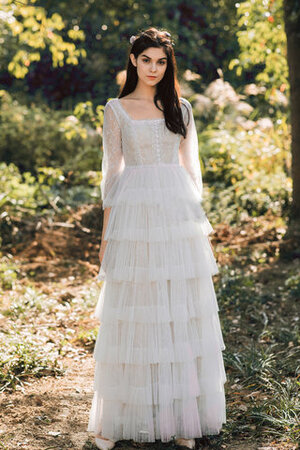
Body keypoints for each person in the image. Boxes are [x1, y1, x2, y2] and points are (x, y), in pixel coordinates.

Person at [87, 27, 226, 450]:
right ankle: (115, 421)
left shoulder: (179, 108)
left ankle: (183, 418)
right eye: (146, 59)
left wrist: (194, 228)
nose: (153, 68)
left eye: (161, 61)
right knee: (134, 308)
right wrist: (106, 234)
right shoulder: (116, 108)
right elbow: (111, 173)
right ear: (133, 61)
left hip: (174, 214)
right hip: (133, 213)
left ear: (168, 65)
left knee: (179, 309)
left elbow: (190, 172)